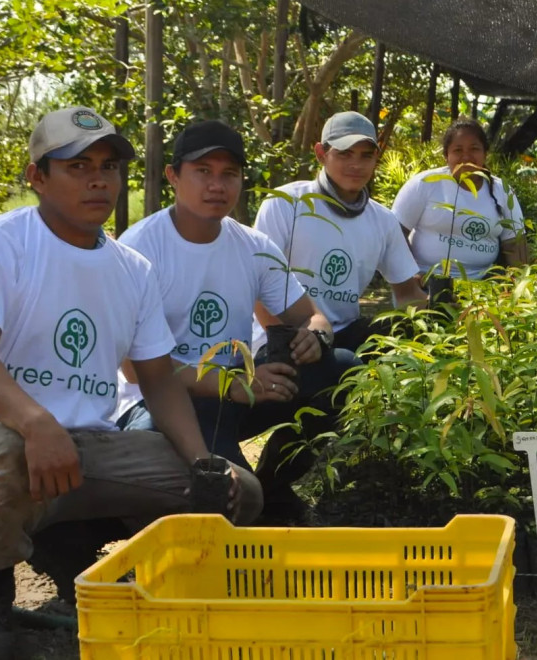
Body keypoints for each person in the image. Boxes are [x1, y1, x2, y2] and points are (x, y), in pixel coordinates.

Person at [0, 108, 262, 658]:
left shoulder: (131, 268)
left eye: (109, 166)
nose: (98, 179)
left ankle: (111, 572)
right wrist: (37, 422)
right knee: (14, 446)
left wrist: (199, 462)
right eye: (77, 166)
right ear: (36, 177)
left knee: (241, 490)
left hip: (91, 453)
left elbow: (158, 381)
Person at [115, 120, 359, 525]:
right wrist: (235, 384)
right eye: (203, 172)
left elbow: (311, 315)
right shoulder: (138, 249)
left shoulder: (252, 245)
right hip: (161, 405)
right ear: (173, 176)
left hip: (238, 393)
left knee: (343, 371)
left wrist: (315, 337)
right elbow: (135, 370)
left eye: (229, 174)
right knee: (226, 502)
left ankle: (276, 488)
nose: (217, 185)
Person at [253, 111, 425, 354]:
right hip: (286, 335)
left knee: (393, 330)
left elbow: (408, 293)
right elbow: (258, 287)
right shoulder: (285, 204)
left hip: (344, 334)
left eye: (366, 155)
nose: (356, 165)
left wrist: (441, 318)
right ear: (321, 154)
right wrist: (293, 343)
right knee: (343, 364)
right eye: (345, 154)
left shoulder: (383, 220)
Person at [391, 117, 529, 281]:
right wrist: (411, 276)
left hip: (483, 284)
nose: (466, 157)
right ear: (446, 155)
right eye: (458, 150)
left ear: (485, 153)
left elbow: (515, 244)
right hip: (427, 280)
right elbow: (394, 232)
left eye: (474, 149)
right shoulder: (425, 184)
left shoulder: (503, 191)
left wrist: (520, 288)